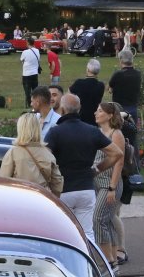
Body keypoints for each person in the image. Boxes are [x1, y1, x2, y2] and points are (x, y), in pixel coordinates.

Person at [44, 93, 121, 244]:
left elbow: (45, 159)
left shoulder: (55, 132)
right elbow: (116, 153)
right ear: (79, 109)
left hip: (63, 188)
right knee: (87, 232)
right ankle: (88, 257)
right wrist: (97, 169)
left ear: (62, 110)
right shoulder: (91, 130)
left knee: (64, 232)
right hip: (86, 188)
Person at [92, 102, 130, 266]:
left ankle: (106, 258)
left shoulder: (116, 134)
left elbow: (119, 162)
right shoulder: (97, 132)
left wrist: (112, 188)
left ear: (109, 115)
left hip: (109, 182)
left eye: (100, 111)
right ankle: (113, 258)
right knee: (106, 220)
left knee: (98, 218)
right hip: (96, 181)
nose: (96, 113)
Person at [0, 111, 62, 194]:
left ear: (20, 129)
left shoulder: (13, 153)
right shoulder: (47, 153)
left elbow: (3, 181)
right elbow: (57, 183)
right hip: (41, 197)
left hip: (20, 197)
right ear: (38, 129)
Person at [108, 49, 143, 125]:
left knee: (118, 130)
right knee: (132, 130)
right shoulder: (138, 74)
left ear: (121, 60)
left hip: (119, 110)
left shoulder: (118, 74)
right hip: (133, 108)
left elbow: (110, 89)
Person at [70, 59, 106, 124]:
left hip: (80, 117)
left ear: (88, 70)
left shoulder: (79, 83)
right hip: (94, 117)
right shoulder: (101, 85)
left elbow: (69, 95)